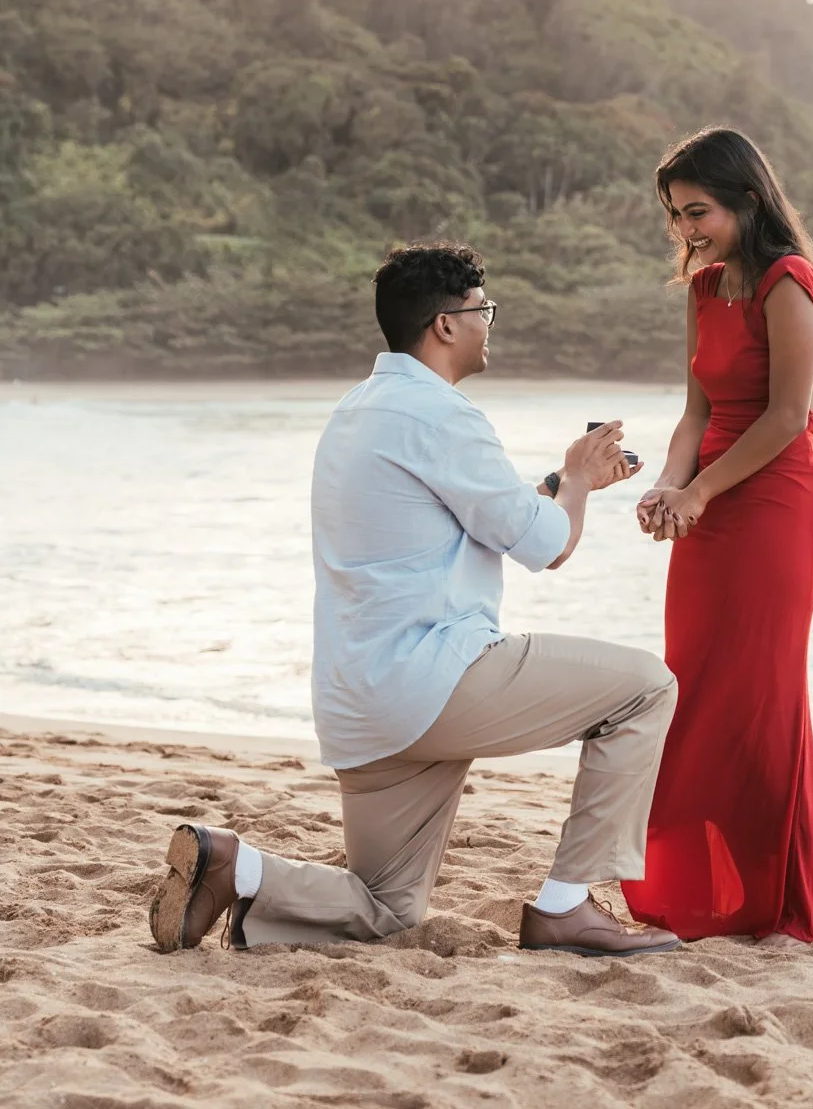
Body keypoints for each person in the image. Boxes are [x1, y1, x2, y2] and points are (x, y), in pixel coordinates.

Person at [148, 241, 680, 958]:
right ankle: (566, 905)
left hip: (359, 706)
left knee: (387, 910)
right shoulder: (443, 414)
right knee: (645, 688)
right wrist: (579, 481)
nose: (489, 324)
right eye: (483, 310)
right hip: (434, 683)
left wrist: (562, 483)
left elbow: (479, 512)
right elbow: (546, 546)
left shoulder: (358, 411)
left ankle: (235, 866)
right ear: (446, 324)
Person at [623, 127, 813, 942]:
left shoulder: (791, 281)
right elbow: (697, 411)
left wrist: (703, 491)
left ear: (748, 200)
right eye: (677, 216)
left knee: (758, 698)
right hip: (710, 509)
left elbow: (788, 417)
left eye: (699, 211)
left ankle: (770, 899)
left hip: (772, 509)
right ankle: (693, 886)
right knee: (696, 689)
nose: (687, 230)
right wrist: (668, 486)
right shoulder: (705, 287)